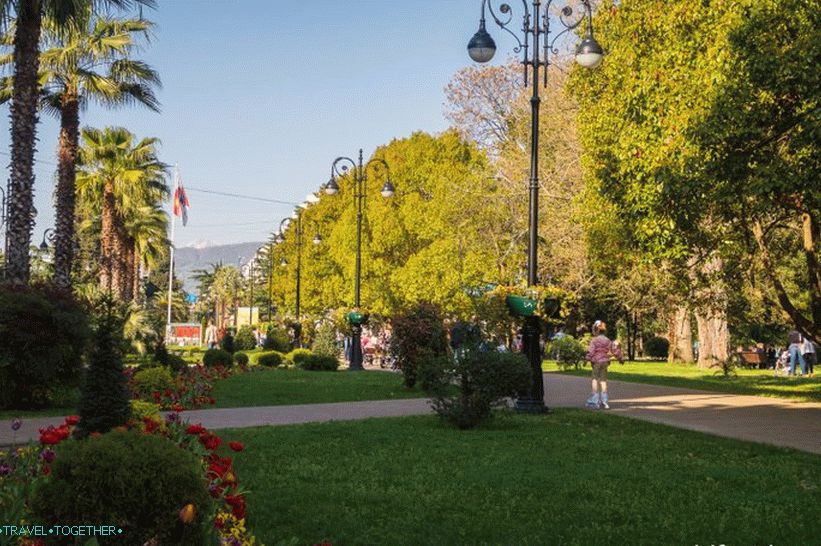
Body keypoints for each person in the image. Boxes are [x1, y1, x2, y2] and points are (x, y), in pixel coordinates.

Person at [584, 320, 623, 410]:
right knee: (603, 381)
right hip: (605, 362)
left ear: (596, 330)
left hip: (596, 362)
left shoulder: (594, 340)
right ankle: (605, 401)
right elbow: (614, 350)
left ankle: (594, 400)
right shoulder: (607, 340)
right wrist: (620, 358)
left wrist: (586, 359)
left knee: (594, 379)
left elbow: (591, 352)